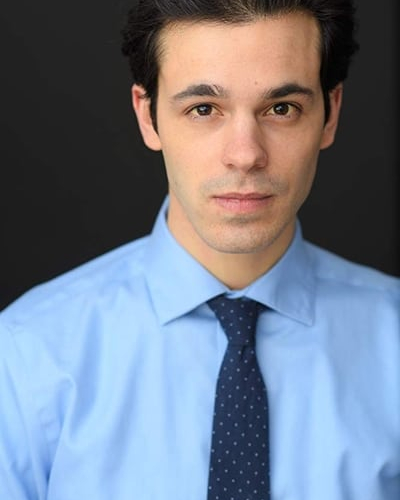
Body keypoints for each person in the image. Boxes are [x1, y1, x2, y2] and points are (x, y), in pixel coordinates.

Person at [0, 0, 399, 498]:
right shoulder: (27, 354)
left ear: (331, 113)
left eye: (281, 108)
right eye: (204, 109)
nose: (245, 154)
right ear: (148, 116)